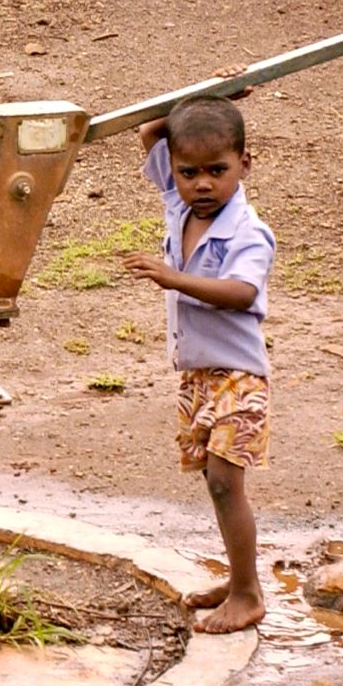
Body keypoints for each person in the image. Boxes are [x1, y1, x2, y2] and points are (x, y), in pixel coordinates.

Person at [123, 95, 274, 634]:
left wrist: (173, 278)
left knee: (224, 483)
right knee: (213, 481)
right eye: (189, 172)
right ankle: (237, 581)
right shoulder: (179, 205)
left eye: (218, 171)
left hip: (238, 376)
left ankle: (249, 594)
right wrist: (212, 98)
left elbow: (240, 291)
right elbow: (149, 130)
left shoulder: (247, 230)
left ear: (245, 165)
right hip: (197, 375)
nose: (203, 184)